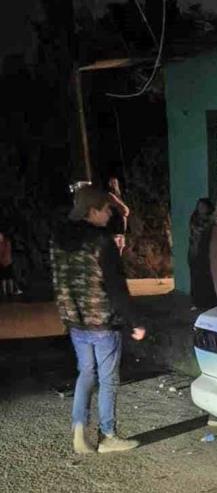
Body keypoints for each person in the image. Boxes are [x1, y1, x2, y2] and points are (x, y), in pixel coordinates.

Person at [49, 185, 146, 454]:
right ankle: (107, 436)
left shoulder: (57, 239)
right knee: (108, 379)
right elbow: (116, 287)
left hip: (75, 320)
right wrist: (135, 321)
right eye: (106, 209)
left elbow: (57, 278)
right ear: (92, 211)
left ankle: (79, 427)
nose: (109, 214)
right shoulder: (102, 241)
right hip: (102, 322)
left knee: (86, 372)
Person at [188, 197, 214, 310]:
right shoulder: (196, 219)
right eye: (199, 206)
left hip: (207, 254)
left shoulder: (211, 219)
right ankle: (197, 302)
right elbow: (200, 230)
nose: (201, 208)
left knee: (207, 279)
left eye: (203, 206)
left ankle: (206, 302)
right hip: (196, 253)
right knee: (196, 278)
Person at [106, 175, 130, 255]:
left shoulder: (119, 195)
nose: (115, 185)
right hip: (116, 224)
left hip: (121, 226)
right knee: (117, 244)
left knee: (121, 245)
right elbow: (124, 210)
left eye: (115, 183)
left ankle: (118, 258)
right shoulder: (111, 196)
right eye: (113, 183)